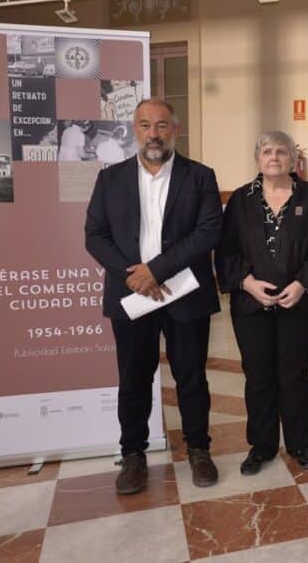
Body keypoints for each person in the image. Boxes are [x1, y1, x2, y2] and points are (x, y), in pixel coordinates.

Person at [84, 98, 223, 495]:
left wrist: (156, 271)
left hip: (186, 296)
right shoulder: (111, 179)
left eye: (162, 125)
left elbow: (209, 232)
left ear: (175, 130)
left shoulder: (200, 177)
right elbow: (95, 235)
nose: (154, 133)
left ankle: (198, 450)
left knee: (192, 378)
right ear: (135, 130)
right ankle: (133, 456)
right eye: (145, 125)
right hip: (132, 298)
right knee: (133, 381)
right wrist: (137, 277)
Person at [215, 131, 308, 476]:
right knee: (258, 374)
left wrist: (301, 285)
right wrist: (247, 283)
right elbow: (226, 249)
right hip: (251, 304)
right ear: (257, 158)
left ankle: (300, 444)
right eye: (267, 151)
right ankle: (262, 446)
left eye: (281, 151)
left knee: (294, 373)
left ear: (293, 159)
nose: (273, 157)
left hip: (299, 303)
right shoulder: (240, 200)